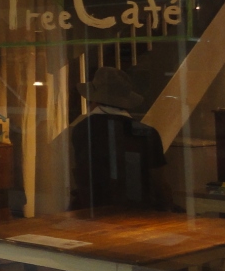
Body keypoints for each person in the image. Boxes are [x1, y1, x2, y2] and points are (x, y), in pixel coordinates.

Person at [68, 67, 168, 212]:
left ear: (93, 99)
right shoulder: (146, 133)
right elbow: (159, 182)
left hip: (92, 208)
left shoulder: (82, 129)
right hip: (138, 210)